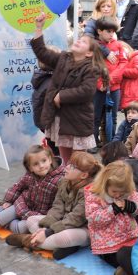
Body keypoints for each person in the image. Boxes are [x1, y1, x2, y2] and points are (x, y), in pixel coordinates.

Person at [31, 12, 107, 164]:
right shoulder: (64, 58)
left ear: (89, 53)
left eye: (84, 42)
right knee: (66, 162)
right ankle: (66, 184)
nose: (78, 42)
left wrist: (61, 96)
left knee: (79, 163)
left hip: (77, 121)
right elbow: (42, 53)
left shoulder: (91, 68)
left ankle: (78, 185)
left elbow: (86, 91)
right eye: (79, 39)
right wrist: (39, 28)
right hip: (61, 119)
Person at [6, 152, 101, 260]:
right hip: (63, 223)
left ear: (84, 175)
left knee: (63, 238)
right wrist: (45, 227)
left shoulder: (89, 192)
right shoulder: (63, 182)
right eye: (69, 163)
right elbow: (57, 207)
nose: (67, 167)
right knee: (31, 220)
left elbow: (75, 219)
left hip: (83, 230)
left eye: (73, 167)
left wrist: (47, 232)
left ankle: (26, 240)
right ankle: (66, 247)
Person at [0, 145, 64, 234]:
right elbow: (18, 186)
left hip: (38, 214)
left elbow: (59, 205)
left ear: (50, 160)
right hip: (23, 205)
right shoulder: (29, 175)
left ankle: (8, 218)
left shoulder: (60, 179)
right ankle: (0, 209)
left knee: (19, 229)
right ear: (30, 168)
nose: (41, 166)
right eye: (36, 164)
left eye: (44, 161)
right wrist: (8, 201)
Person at [85, 161, 138, 268]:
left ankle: (132, 268)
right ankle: (125, 270)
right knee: (115, 258)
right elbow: (93, 219)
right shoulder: (95, 196)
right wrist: (113, 209)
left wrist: (131, 206)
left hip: (129, 235)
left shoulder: (128, 192)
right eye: (114, 191)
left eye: (122, 191)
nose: (118, 194)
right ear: (105, 184)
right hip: (106, 241)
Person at [92, 16, 125, 149]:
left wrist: (110, 79)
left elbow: (123, 63)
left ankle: (110, 143)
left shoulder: (118, 45)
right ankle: (93, 142)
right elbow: (91, 67)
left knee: (112, 117)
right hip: (98, 89)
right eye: (108, 31)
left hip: (114, 87)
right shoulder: (94, 47)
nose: (111, 35)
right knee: (96, 117)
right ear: (99, 31)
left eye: (113, 32)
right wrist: (100, 83)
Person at [30, 45, 61, 157]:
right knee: (58, 151)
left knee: (54, 148)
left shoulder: (41, 78)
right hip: (52, 123)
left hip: (43, 121)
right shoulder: (52, 82)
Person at [100, 141, 138, 207]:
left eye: (104, 158)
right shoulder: (133, 166)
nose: (102, 162)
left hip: (134, 211)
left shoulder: (123, 174)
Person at [118, 41, 138, 109]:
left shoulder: (137, 57)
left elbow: (137, 71)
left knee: (136, 112)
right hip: (125, 88)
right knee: (128, 112)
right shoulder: (121, 60)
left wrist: (120, 70)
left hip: (135, 89)